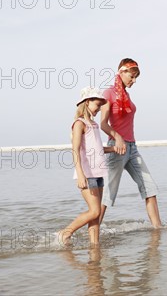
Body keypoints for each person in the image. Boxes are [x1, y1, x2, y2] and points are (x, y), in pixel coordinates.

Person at [99, 58, 162, 228]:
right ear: (121, 72)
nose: (134, 81)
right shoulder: (108, 93)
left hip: (132, 148)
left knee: (150, 189)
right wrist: (117, 137)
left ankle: (158, 230)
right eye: (132, 77)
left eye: (136, 78)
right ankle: (92, 234)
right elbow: (103, 123)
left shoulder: (126, 94)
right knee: (107, 196)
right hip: (117, 148)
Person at [58, 87, 117, 247]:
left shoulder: (94, 125)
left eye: (100, 105)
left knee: (95, 216)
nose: (99, 109)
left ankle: (94, 246)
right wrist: (80, 174)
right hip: (87, 173)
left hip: (98, 173)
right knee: (94, 211)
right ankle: (66, 232)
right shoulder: (79, 123)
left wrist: (113, 148)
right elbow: (75, 149)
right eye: (97, 105)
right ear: (87, 102)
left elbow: (97, 149)